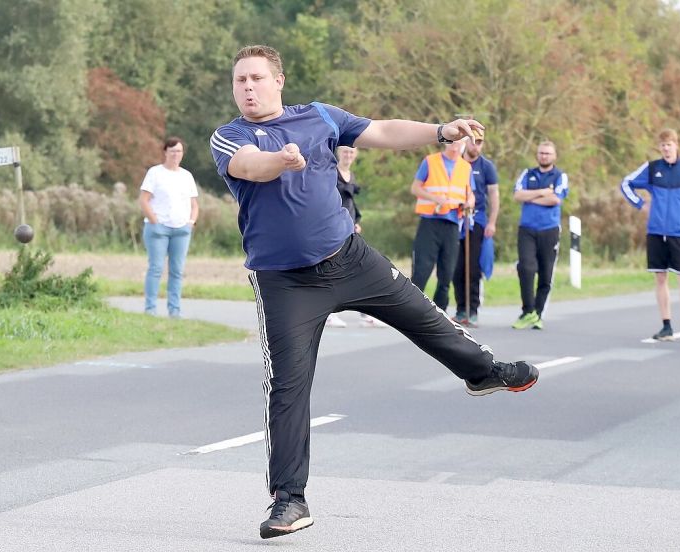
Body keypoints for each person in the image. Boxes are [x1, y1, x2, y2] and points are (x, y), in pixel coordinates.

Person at [209, 44, 538, 540]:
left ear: (279, 80)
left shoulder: (319, 115)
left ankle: (484, 373)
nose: (248, 88)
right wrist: (281, 160)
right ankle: (290, 501)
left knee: (424, 317)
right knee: (288, 388)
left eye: (256, 78)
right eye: (240, 81)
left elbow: (381, 130)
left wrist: (440, 131)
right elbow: (252, 167)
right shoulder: (230, 136)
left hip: (349, 258)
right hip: (284, 282)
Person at [619, 128, 680, 343]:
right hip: (656, 231)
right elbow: (625, 183)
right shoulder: (652, 168)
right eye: (663, 145)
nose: (666, 148)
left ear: (677, 145)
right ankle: (666, 326)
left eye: (670, 144)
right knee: (660, 277)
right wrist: (640, 204)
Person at [326, 145, 387, 328]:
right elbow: (330, 201)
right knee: (333, 271)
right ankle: (327, 314)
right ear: (338, 153)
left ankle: (366, 312)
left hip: (350, 229)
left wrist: (355, 221)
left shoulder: (350, 175)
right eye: (345, 151)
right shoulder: (331, 173)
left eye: (351, 152)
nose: (348, 155)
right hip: (334, 229)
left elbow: (350, 203)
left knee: (359, 269)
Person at [409, 141, 473, 312]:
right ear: (446, 143)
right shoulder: (430, 161)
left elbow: (470, 194)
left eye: (459, 144)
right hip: (430, 221)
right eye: (452, 143)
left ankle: (439, 312)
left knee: (447, 273)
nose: (455, 147)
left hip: (452, 224)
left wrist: (469, 203)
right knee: (422, 270)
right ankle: (409, 309)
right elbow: (415, 188)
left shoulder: (466, 168)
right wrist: (434, 198)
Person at [138, 137, 199, 318]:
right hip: (159, 229)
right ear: (165, 152)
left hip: (181, 229)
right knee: (156, 268)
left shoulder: (186, 176)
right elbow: (144, 200)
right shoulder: (155, 173)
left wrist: (191, 222)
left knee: (177, 271)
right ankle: (150, 309)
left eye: (179, 151)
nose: (175, 155)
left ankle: (174, 310)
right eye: (172, 151)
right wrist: (154, 221)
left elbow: (194, 204)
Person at [511, 140, 568, 330]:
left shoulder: (560, 176)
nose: (544, 156)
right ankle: (528, 311)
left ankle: (538, 313)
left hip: (549, 229)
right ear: (537, 155)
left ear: (554, 156)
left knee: (546, 273)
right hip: (527, 229)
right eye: (541, 153)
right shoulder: (528, 173)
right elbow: (518, 196)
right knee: (526, 268)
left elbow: (555, 200)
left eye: (548, 153)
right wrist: (542, 192)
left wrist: (531, 197)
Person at [452, 134, 499, 327]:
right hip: (454, 219)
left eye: (479, 142)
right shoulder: (455, 163)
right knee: (457, 267)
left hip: (476, 220)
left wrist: (492, 222)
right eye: (472, 141)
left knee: (472, 267)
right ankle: (460, 309)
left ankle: (473, 310)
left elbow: (494, 195)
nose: (475, 146)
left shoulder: (486, 166)